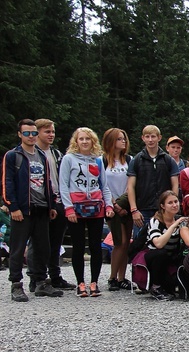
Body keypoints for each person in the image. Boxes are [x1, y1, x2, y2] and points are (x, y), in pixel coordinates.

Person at [2, 119, 63, 301]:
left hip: (42, 208)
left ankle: (39, 282)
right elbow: (7, 183)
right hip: (22, 209)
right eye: (27, 133)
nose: (31, 137)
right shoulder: (13, 155)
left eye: (33, 133)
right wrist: (13, 207)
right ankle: (16, 284)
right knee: (18, 247)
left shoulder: (42, 156)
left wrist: (51, 205)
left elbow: (48, 182)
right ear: (20, 134)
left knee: (43, 247)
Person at [59, 127, 115, 298]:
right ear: (76, 141)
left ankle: (94, 282)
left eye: (87, 139)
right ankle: (80, 283)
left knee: (95, 247)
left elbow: (104, 185)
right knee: (78, 246)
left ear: (93, 141)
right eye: (81, 139)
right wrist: (68, 208)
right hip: (76, 207)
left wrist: (109, 205)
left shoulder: (97, 160)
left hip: (96, 207)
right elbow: (64, 185)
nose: (84, 142)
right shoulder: (69, 159)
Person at [28, 119, 75, 291]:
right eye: (47, 132)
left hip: (58, 201)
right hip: (40, 203)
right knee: (38, 242)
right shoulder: (32, 153)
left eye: (53, 131)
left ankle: (55, 276)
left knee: (56, 241)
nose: (51, 135)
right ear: (37, 133)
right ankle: (36, 278)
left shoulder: (56, 154)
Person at [127, 125, 179, 237]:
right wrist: (134, 210)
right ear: (143, 138)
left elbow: (175, 185)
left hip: (163, 210)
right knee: (140, 244)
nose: (150, 140)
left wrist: (172, 205)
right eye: (147, 136)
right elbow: (130, 186)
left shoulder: (168, 160)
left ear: (159, 138)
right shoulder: (136, 160)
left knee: (165, 241)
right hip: (142, 209)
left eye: (153, 136)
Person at [100, 127, 133, 291]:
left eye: (124, 139)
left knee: (127, 242)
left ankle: (122, 277)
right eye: (120, 139)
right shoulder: (102, 161)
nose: (123, 142)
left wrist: (125, 203)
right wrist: (114, 204)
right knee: (119, 241)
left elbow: (131, 184)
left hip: (127, 205)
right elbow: (102, 184)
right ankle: (112, 277)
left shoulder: (129, 160)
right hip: (111, 207)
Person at [144, 191, 186, 301]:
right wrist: (173, 226)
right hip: (155, 257)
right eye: (170, 203)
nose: (174, 205)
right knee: (160, 253)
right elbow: (158, 243)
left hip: (172, 257)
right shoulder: (155, 221)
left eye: (176, 201)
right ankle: (155, 287)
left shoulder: (180, 219)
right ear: (162, 206)